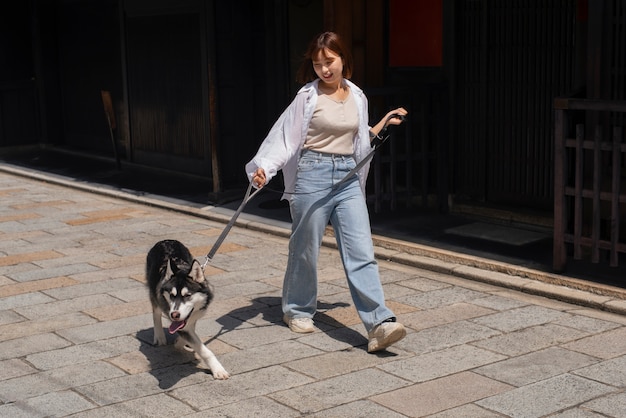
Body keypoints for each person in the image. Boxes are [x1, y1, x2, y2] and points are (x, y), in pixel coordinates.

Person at [245, 31, 408, 353]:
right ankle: (297, 309)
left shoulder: (357, 95)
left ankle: (380, 323)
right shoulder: (307, 97)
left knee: (361, 250)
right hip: (312, 175)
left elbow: (359, 138)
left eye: (329, 62)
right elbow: (285, 139)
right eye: (318, 64)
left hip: (347, 178)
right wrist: (265, 167)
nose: (324, 69)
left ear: (343, 59)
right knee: (305, 249)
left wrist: (384, 122)